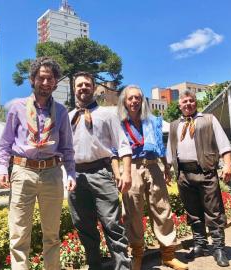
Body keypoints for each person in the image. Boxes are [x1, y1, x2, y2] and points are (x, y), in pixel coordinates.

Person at [0, 57, 76, 270]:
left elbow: (67, 147)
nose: (45, 82)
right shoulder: (17, 107)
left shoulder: (60, 112)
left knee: (52, 233)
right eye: (41, 77)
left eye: (50, 78)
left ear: (55, 83)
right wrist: (3, 167)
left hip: (52, 172)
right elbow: (5, 142)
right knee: (19, 233)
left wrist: (71, 173)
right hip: (23, 171)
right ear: (33, 80)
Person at [111, 85, 188, 270]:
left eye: (137, 98)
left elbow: (160, 147)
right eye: (130, 98)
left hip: (153, 166)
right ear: (124, 101)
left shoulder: (152, 121)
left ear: (142, 100)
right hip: (132, 169)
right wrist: (118, 174)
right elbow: (113, 153)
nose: (134, 101)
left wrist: (166, 167)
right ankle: (137, 255)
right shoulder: (119, 123)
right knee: (133, 214)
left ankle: (168, 255)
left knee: (162, 209)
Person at [68, 71, 133, 270]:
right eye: (79, 85)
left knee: (113, 226)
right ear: (74, 89)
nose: (83, 88)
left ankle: (123, 267)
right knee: (84, 228)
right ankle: (94, 266)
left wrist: (126, 172)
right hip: (76, 177)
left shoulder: (108, 114)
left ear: (94, 88)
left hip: (101, 173)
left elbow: (123, 144)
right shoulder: (69, 117)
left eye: (87, 84)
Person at [166, 89, 231, 267]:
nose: (187, 104)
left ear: (195, 103)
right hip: (183, 175)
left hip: (206, 172)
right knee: (193, 212)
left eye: (191, 101)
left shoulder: (209, 119)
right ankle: (200, 245)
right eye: (184, 102)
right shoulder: (174, 125)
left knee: (214, 211)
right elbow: (170, 151)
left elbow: (224, 144)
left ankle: (219, 248)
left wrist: (227, 165)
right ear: (179, 105)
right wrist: (167, 169)